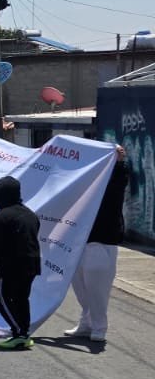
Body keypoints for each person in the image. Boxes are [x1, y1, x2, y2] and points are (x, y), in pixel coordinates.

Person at [67, 144, 131, 343]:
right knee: (80, 288)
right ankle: (86, 323)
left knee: (98, 290)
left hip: (102, 242)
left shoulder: (112, 186)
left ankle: (99, 327)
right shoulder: (82, 187)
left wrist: (119, 163)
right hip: (79, 243)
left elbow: (120, 181)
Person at [0, 176, 41, 351]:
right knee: (21, 299)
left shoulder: (0, 217)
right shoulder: (30, 214)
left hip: (10, 266)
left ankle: (20, 334)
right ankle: (23, 332)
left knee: (1, 297)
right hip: (32, 264)